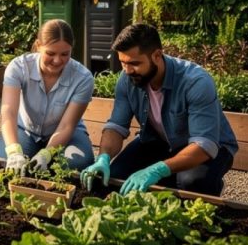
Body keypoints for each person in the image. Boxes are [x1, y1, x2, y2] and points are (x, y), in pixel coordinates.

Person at [80, 23, 238, 196]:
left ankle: (208, 184)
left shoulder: (195, 82)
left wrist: (157, 170)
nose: (127, 70)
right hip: (158, 141)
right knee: (114, 178)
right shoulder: (127, 80)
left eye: (134, 63)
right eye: (123, 63)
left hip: (208, 148)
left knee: (191, 183)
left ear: (157, 55)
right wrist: (104, 158)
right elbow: (116, 126)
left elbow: (204, 145)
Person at [0, 19, 95, 173]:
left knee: (76, 165)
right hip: (26, 131)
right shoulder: (19, 67)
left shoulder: (83, 78)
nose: (57, 60)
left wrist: (47, 154)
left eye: (65, 54)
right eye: (50, 53)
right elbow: (8, 112)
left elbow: (67, 125)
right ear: (38, 46)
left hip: (68, 134)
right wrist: (14, 151)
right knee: (6, 163)